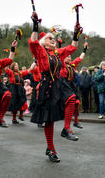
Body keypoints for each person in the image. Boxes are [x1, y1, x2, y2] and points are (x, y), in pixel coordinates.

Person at [29, 11, 81, 162]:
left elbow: (73, 47)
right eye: (50, 38)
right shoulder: (40, 52)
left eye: (54, 38)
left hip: (59, 84)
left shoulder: (57, 53)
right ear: (44, 42)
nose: (53, 40)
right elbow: (33, 43)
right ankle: (51, 148)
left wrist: (76, 34)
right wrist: (35, 25)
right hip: (47, 86)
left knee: (72, 98)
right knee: (49, 120)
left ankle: (66, 129)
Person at [61, 42, 89, 129]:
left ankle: (76, 121)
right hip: (63, 86)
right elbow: (59, 54)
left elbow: (80, 58)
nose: (69, 58)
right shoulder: (61, 65)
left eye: (70, 56)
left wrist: (84, 49)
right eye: (67, 56)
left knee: (76, 103)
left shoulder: (72, 65)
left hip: (72, 87)